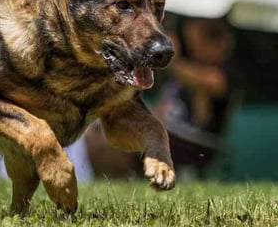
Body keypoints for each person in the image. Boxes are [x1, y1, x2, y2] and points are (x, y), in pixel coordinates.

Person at [77, 16, 238, 180]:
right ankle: (115, 182)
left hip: (191, 142)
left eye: (202, 37)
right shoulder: (187, 71)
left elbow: (212, 84)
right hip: (170, 133)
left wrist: (168, 58)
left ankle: (118, 179)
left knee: (110, 141)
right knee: (97, 131)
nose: (193, 43)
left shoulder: (224, 71)